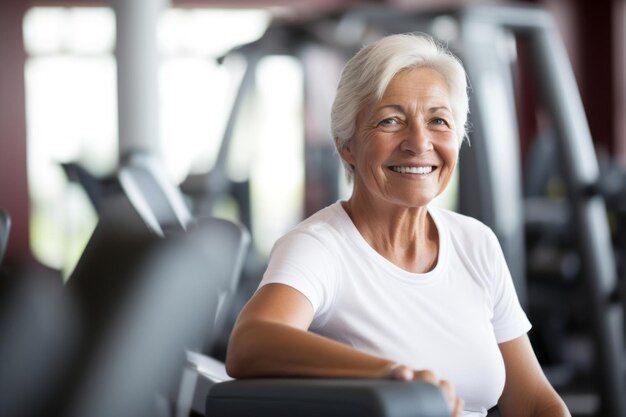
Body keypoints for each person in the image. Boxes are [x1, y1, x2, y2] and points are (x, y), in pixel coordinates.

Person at [226, 33, 570, 417]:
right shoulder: (320, 246)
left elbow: (535, 402)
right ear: (347, 144)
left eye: (438, 121)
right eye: (391, 120)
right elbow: (249, 343)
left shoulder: (476, 242)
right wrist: (393, 377)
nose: (419, 142)